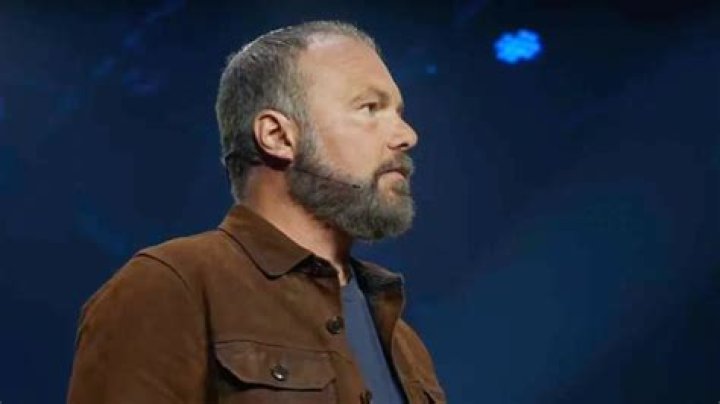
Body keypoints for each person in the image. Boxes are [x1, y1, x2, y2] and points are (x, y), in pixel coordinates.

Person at [67, 20, 446, 404]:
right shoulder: (169, 288)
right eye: (370, 108)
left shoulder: (405, 345)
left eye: (398, 112)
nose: (407, 135)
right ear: (277, 136)